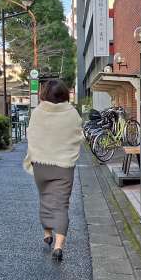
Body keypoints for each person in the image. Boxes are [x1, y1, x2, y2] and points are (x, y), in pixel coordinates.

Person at [23, 79, 83, 261]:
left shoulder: (38, 112)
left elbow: (31, 135)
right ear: (64, 94)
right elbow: (78, 136)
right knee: (61, 205)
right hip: (64, 166)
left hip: (41, 164)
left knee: (45, 199)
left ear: (45, 94)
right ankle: (58, 246)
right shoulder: (71, 113)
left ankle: (47, 233)